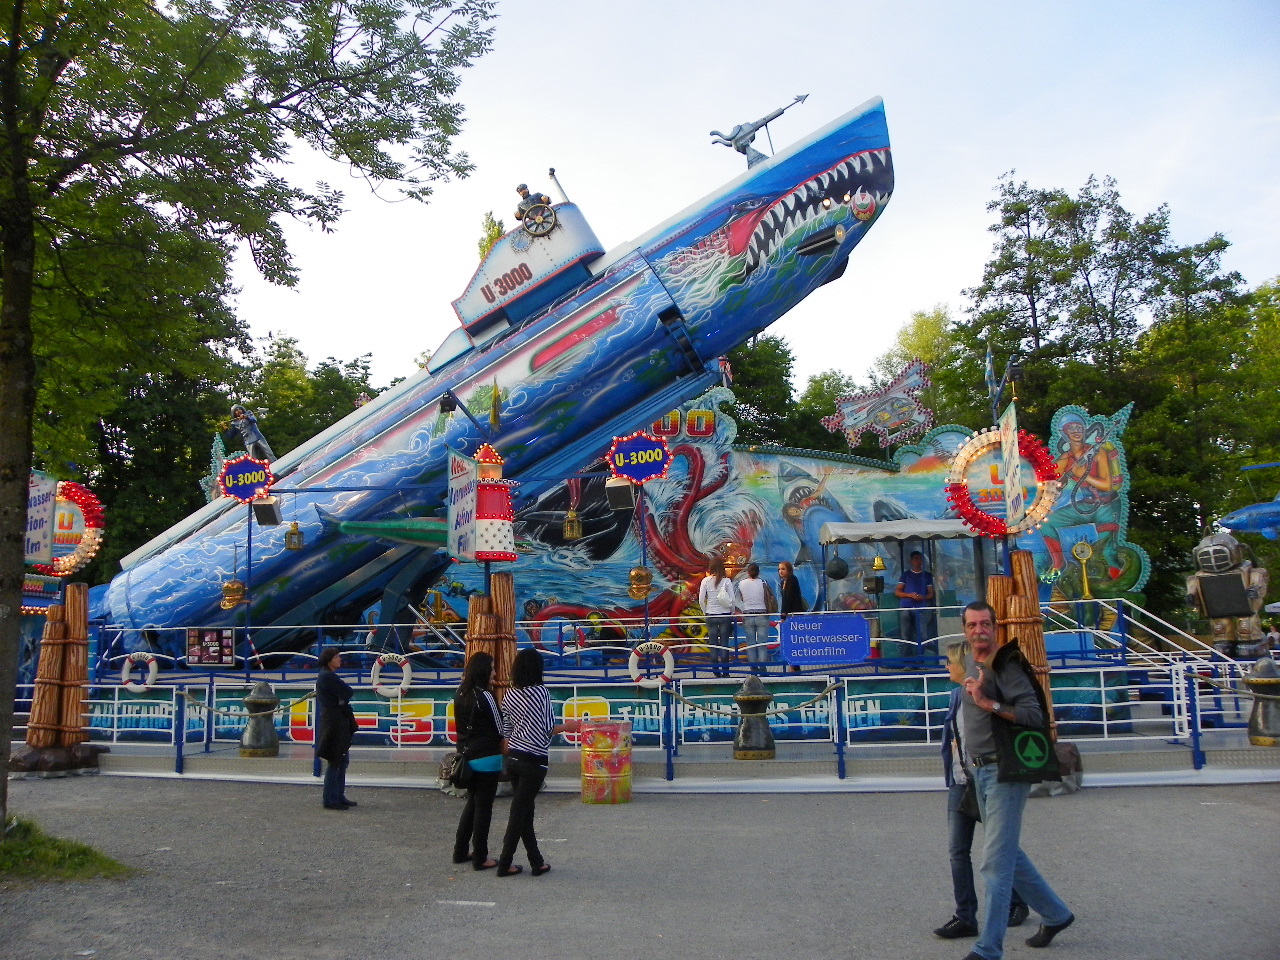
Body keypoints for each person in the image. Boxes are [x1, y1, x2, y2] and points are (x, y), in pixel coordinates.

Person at [958, 601, 1075, 960]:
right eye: (972, 625)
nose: (979, 630)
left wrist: (987, 702)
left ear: (995, 627)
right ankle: (1056, 915)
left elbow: (1032, 714)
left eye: (985, 624)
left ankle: (988, 950)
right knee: (1008, 853)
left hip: (1003, 772)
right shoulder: (970, 661)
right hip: (980, 771)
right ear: (965, 630)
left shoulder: (1005, 665)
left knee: (994, 864)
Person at [935, 640, 1028, 941]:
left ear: (963, 665)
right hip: (960, 780)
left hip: (986, 778)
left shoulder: (984, 692)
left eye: (949, 661)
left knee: (999, 847)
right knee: (957, 851)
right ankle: (965, 916)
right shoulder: (955, 697)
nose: (946, 666)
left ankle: (1017, 902)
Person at [497, 649, 580, 876]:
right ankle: (505, 863)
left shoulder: (510, 694)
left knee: (525, 812)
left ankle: (537, 862)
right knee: (519, 814)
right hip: (534, 760)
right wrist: (568, 727)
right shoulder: (541, 693)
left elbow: (506, 730)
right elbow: (547, 729)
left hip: (514, 757)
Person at [452, 652, 504, 871]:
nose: (494, 672)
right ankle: (480, 857)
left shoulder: (460, 693)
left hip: (467, 755)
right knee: (484, 808)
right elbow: (500, 727)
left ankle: (460, 850)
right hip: (487, 757)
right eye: (491, 668)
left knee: (473, 803)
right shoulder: (485, 696)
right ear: (483, 671)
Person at [315, 647, 357, 810]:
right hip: (334, 724)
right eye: (336, 657)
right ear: (329, 660)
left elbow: (345, 694)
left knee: (341, 760)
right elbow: (347, 692)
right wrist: (341, 699)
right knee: (336, 761)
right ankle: (330, 798)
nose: (340, 659)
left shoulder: (325, 676)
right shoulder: (328, 677)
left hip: (334, 721)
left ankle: (338, 795)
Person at [699, 558, 738, 677]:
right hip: (725, 615)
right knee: (724, 643)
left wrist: (705, 612)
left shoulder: (705, 581)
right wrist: (731, 611)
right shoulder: (726, 581)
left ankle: (716, 671)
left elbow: (701, 600)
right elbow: (732, 600)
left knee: (713, 644)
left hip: (711, 615)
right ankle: (726, 672)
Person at [737, 562, 776, 672]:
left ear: (748, 572)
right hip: (762, 614)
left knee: (750, 643)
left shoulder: (741, 583)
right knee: (762, 643)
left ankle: (753, 667)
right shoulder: (764, 583)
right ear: (758, 572)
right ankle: (762, 667)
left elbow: (742, 598)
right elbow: (770, 597)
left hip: (748, 614)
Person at [895, 550, 936, 654]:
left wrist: (922, 597)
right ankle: (907, 660)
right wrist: (909, 595)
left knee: (923, 635)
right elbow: (898, 592)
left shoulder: (927, 575)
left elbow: (931, 594)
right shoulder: (906, 575)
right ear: (911, 561)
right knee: (905, 635)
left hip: (921, 608)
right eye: (916, 559)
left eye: (920, 559)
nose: (918, 561)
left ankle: (920, 659)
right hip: (906, 607)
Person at [777, 560, 806, 673]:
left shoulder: (792, 580)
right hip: (790, 615)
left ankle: (795, 666)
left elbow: (788, 599)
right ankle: (793, 665)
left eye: (783, 569)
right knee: (791, 641)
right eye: (779, 569)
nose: (780, 571)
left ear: (789, 570)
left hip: (794, 616)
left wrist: (783, 615)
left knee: (794, 640)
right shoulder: (784, 582)